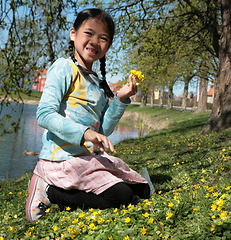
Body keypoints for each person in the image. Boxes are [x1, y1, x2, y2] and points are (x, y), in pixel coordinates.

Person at [26, 8, 152, 223]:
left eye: (103, 38)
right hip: (61, 160)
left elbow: (102, 131)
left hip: (87, 158)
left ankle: (70, 197)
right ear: (73, 33)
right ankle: (48, 190)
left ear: (108, 46)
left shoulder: (98, 82)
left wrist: (120, 98)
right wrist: (84, 133)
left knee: (142, 190)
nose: (95, 42)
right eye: (89, 34)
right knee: (121, 196)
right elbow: (44, 115)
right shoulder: (63, 68)